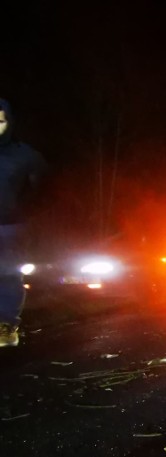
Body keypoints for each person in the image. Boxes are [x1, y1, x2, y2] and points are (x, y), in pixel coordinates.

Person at [0, 97, 46, 347]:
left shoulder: (24, 155)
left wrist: (28, 212)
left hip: (10, 227)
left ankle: (5, 326)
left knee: (7, 274)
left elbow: (45, 188)